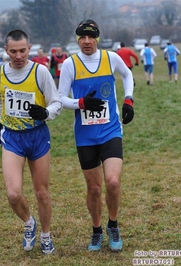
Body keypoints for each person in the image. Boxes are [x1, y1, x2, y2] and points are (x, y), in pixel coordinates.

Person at [58, 19, 134, 252]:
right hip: (85, 135)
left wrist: (128, 99)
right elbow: (60, 98)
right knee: (94, 189)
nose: (86, 41)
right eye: (82, 37)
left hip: (110, 130)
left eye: (91, 37)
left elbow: (127, 75)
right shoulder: (70, 64)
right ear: (77, 39)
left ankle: (113, 225)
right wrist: (81, 103)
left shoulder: (110, 58)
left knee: (112, 182)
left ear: (97, 38)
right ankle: (96, 230)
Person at [0, 29, 62, 255]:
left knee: (42, 192)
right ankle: (29, 223)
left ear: (29, 48)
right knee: (13, 193)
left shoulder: (40, 72)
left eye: (22, 50)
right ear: (6, 50)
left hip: (38, 136)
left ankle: (46, 235)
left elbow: (56, 103)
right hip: (12, 137)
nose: (18, 55)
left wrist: (45, 113)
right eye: (13, 51)